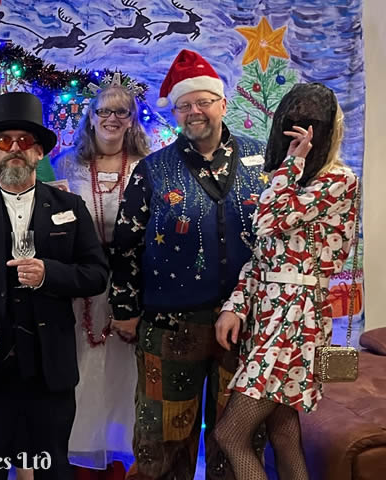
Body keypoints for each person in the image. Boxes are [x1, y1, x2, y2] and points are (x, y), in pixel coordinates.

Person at [108, 49, 269, 480]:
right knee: (161, 441)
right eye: (184, 105)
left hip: (248, 326)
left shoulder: (264, 163)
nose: (194, 111)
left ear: (221, 103)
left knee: (236, 438)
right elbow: (125, 243)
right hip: (170, 326)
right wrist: (124, 309)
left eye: (202, 102)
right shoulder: (154, 170)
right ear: (175, 111)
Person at [0, 91, 110, 480]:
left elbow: (96, 273)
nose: (15, 148)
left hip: (49, 362)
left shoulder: (70, 206)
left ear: (38, 153)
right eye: (4, 141)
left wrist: (50, 273)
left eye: (25, 141)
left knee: (52, 464)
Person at [213, 83, 359, 480]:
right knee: (282, 430)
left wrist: (292, 165)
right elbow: (261, 256)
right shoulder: (284, 181)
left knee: (231, 433)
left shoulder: (338, 181)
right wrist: (235, 307)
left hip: (297, 317)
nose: (298, 135)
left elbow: (268, 220)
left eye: (310, 127)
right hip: (268, 312)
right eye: (292, 126)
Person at [56, 81, 150, 479]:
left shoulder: (150, 165)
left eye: (121, 112)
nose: (112, 119)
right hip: (81, 284)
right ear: (90, 117)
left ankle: (119, 459)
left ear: (131, 121)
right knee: (84, 370)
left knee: (123, 374)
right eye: (104, 111)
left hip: (131, 284)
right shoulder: (64, 165)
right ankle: (80, 459)